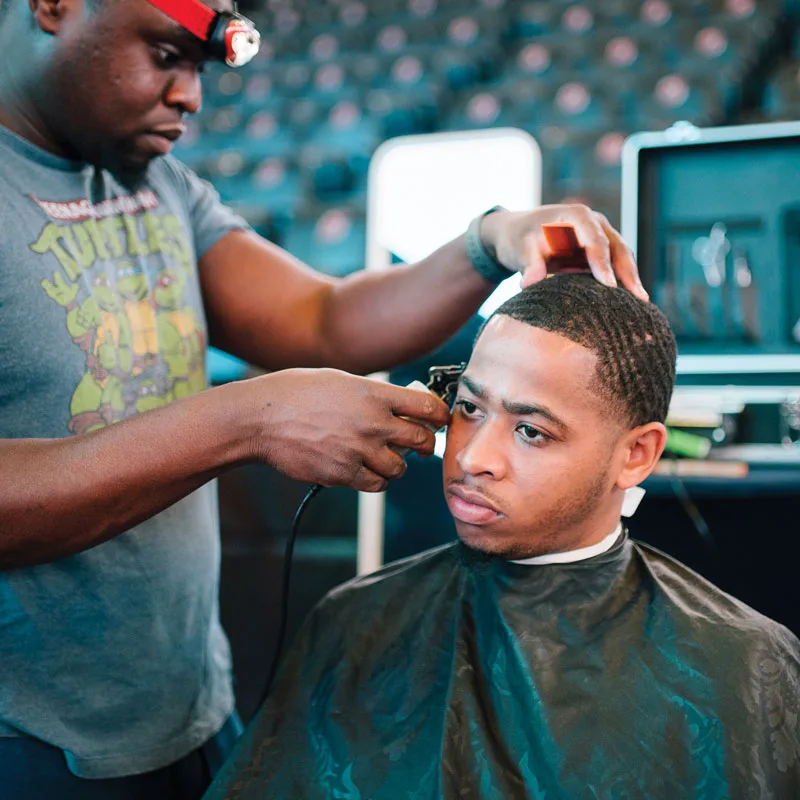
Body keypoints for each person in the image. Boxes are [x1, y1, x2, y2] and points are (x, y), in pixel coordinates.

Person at [0, 0, 649, 797]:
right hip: (30, 746)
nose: (191, 96)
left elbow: (323, 318)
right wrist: (248, 419)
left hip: (187, 711)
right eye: (166, 54)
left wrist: (490, 241)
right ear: (55, 5)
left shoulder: (154, 182)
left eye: (201, 68)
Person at [205, 275, 800, 800]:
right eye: (469, 408)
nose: (474, 457)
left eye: (531, 431)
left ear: (636, 455)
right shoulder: (356, 622)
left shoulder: (748, 668)